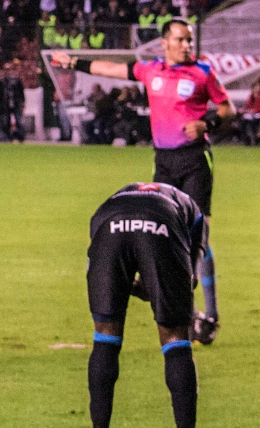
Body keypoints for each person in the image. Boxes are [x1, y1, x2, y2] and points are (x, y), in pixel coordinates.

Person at [52, 19, 236, 343]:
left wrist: (205, 123)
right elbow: (111, 69)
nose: (187, 46)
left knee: (199, 233)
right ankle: (191, 315)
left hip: (195, 161)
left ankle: (210, 313)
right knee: (170, 235)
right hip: (163, 163)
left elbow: (227, 108)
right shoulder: (150, 70)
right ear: (164, 43)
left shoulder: (202, 73)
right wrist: (74, 62)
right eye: (180, 40)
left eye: (189, 40)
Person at [87, 182, 207, 428]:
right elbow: (190, 280)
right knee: (175, 337)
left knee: (105, 334)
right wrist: (161, 286)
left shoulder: (110, 201)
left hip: (109, 220)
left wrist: (126, 285)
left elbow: (98, 247)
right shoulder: (193, 212)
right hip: (162, 219)